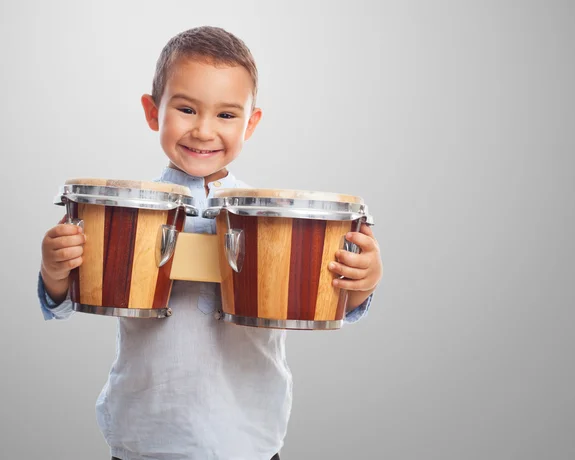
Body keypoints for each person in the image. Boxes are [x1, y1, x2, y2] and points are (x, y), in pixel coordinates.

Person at [38, 26, 383, 460]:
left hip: (247, 440)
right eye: (186, 108)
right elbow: (66, 298)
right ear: (152, 112)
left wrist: (362, 285)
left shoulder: (270, 217)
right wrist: (55, 273)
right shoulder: (124, 212)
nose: (203, 130)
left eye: (226, 115)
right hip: (144, 438)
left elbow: (332, 301)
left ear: (251, 123)